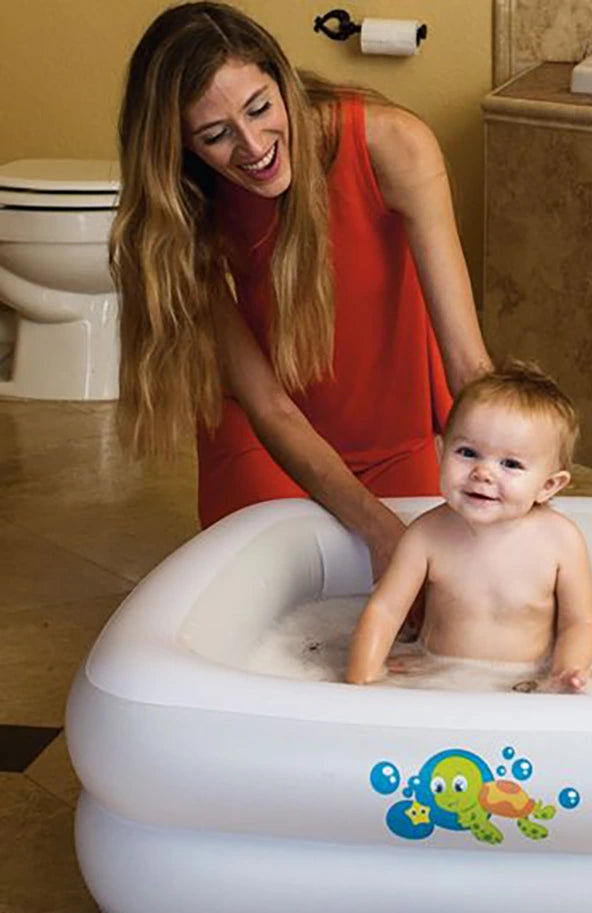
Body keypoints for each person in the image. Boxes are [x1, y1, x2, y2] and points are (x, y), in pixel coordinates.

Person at [110, 2, 490, 582]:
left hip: (390, 432)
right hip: (268, 439)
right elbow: (270, 407)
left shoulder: (393, 143)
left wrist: (515, 482)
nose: (252, 145)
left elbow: (466, 361)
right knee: (287, 590)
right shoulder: (185, 215)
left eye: (260, 107)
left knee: (443, 594)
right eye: (215, 135)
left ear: (281, 79)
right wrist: (379, 529)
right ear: (182, 147)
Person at [346, 361, 592, 691]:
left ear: (548, 486)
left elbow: (579, 622)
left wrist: (566, 673)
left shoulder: (561, 541)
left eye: (510, 463)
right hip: (438, 679)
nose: (483, 472)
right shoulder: (425, 536)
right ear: (440, 453)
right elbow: (384, 611)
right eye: (467, 452)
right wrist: (365, 677)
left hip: (525, 684)